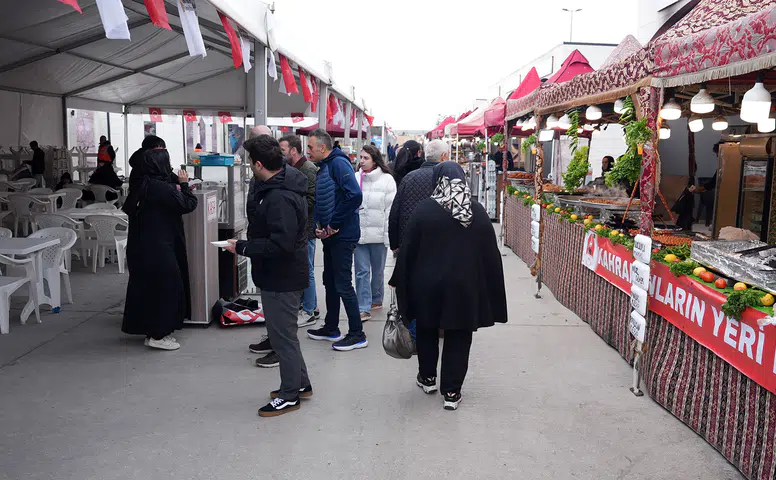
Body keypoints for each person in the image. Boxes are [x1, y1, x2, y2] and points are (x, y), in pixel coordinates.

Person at [389, 162, 507, 410]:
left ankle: (427, 378)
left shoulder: (424, 210)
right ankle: (452, 392)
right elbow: (490, 253)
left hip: (427, 285)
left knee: (426, 329)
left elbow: (408, 249)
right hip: (463, 286)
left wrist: (398, 279)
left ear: (437, 180)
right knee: (459, 335)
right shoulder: (476, 211)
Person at [224, 135, 311, 418]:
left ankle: (289, 395)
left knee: (282, 338)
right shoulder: (281, 187)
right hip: (281, 274)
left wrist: (243, 247)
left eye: (251, 162)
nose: (250, 167)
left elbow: (281, 244)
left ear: (259, 164)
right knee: (285, 335)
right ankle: (300, 384)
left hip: (282, 277)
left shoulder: (279, 197)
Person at [121, 140, 198, 351]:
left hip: (143, 244)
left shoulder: (144, 183)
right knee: (167, 288)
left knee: (151, 289)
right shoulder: (160, 188)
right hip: (159, 246)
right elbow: (188, 204)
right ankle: (158, 334)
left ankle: (152, 331)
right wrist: (184, 185)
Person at [305, 129, 367, 351]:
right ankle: (331, 327)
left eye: (310, 147)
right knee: (330, 281)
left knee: (342, 283)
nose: (308, 151)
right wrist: (320, 225)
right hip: (331, 235)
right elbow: (324, 199)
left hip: (343, 235)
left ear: (322, 147)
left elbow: (354, 195)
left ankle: (357, 334)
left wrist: (334, 224)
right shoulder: (326, 166)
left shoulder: (338, 164)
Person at [279, 134, 319, 329]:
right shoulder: (292, 168)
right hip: (299, 227)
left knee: (307, 269)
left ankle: (309, 310)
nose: (280, 154)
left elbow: (312, 199)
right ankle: (309, 306)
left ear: (293, 151)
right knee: (303, 268)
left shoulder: (308, 169)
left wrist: (290, 205)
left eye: (283, 150)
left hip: (307, 228)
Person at [355, 145, 396, 321]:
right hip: (359, 233)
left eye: (366, 158)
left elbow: (391, 209)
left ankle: (376, 298)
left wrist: (388, 236)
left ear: (375, 160)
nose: (362, 161)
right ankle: (363, 307)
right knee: (361, 271)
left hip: (378, 234)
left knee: (378, 271)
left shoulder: (387, 180)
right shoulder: (356, 177)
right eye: (361, 157)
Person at [389, 139, 448, 252]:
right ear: (444, 156)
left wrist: (394, 243)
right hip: (439, 241)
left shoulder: (409, 178)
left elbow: (395, 211)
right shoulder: (447, 179)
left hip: (409, 239)